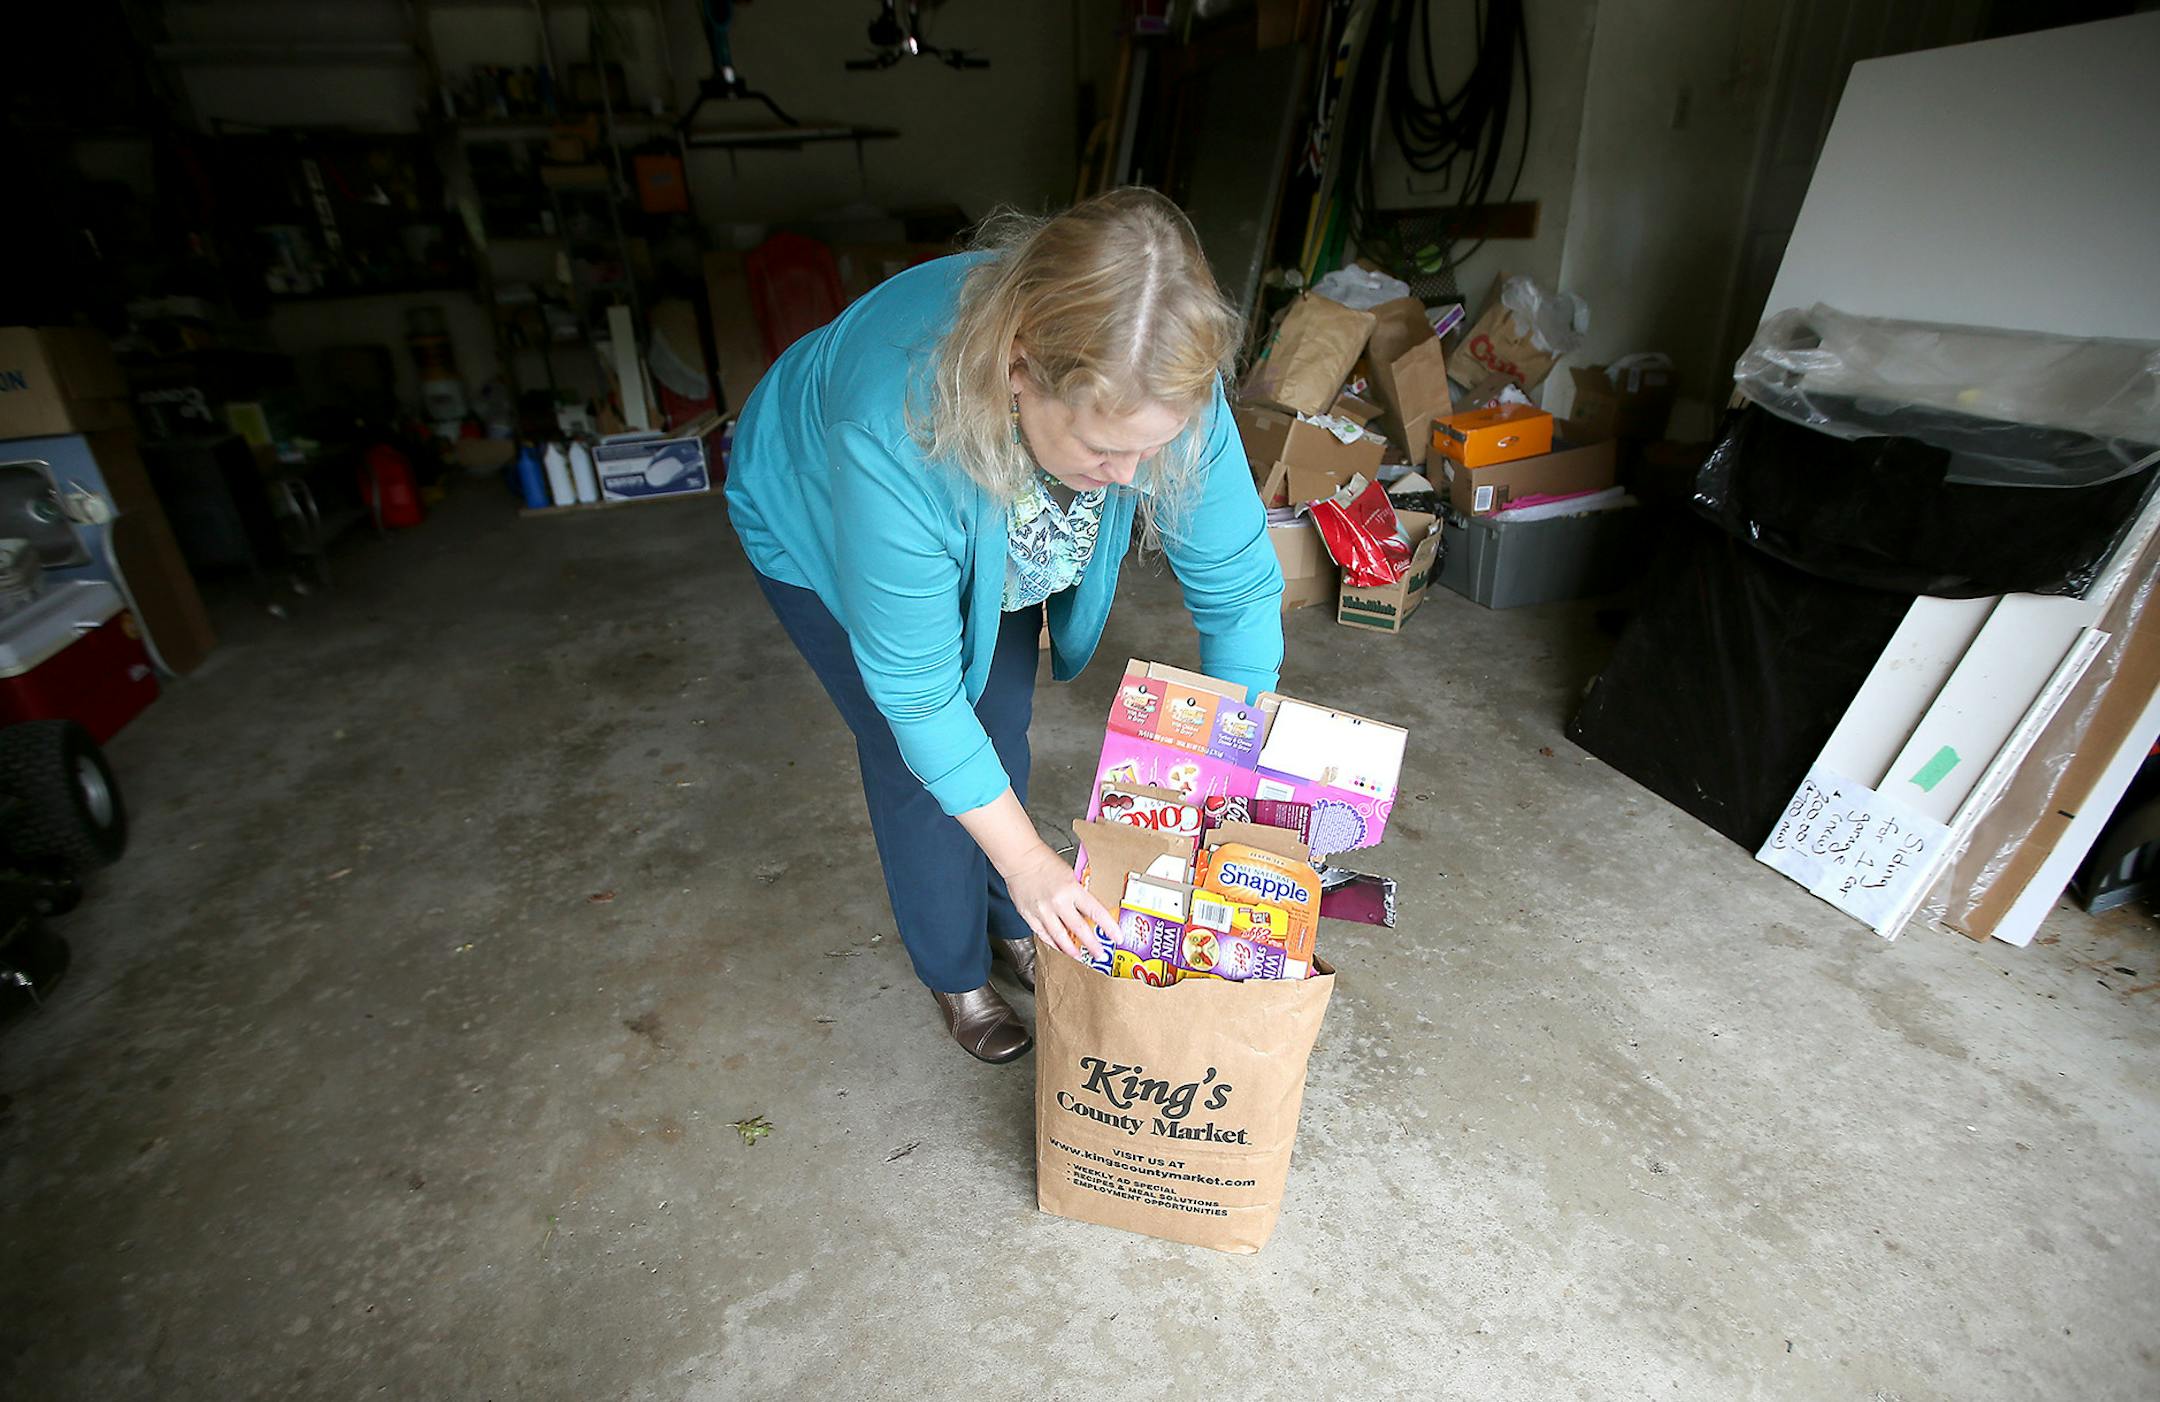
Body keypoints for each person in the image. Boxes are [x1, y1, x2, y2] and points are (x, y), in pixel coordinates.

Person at [725, 188, 1285, 1063]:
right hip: (818, 513)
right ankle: (957, 972)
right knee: (914, 755)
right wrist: (1032, 861)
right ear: (1021, 369)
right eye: (1106, 451)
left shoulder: (1158, 380)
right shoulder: (894, 426)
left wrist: (1226, 776)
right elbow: (917, 693)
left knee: (998, 716)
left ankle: (1015, 912)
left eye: (1154, 446)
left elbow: (1241, 590)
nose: (1135, 476)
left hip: (994, 508)